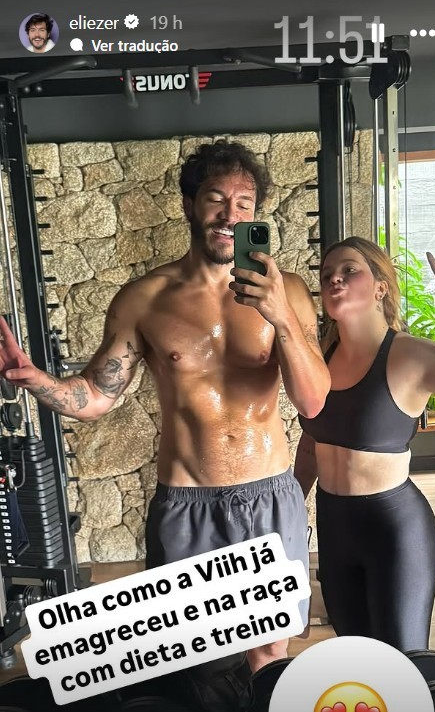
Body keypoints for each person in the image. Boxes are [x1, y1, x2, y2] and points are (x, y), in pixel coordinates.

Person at [0, 141, 330, 672]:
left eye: (244, 204)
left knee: (270, 650)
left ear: (256, 214)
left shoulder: (287, 292)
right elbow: (96, 396)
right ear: (189, 205)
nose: (229, 215)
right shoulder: (144, 299)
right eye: (215, 199)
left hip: (267, 496)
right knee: (192, 654)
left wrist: (282, 318)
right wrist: (36, 380)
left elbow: (312, 401)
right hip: (187, 503)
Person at [295, 235, 435, 652]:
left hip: (395, 531)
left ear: (380, 287)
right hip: (334, 526)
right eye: (327, 274)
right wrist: (292, 508)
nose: (334, 279)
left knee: (401, 665)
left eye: (349, 270)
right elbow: (312, 442)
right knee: (360, 663)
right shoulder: (319, 358)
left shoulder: (410, 356)